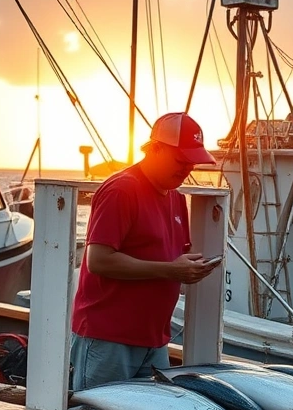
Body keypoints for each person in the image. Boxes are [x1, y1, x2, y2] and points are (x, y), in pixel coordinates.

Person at [70, 112, 220, 389]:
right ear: (156, 149)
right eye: (181, 160)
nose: (186, 168)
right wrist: (172, 270)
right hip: (110, 338)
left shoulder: (175, 196)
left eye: (192, 162)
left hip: (153, 339)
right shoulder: (122, 190)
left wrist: (186, 266)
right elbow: (99, 261)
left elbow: (166, 255)